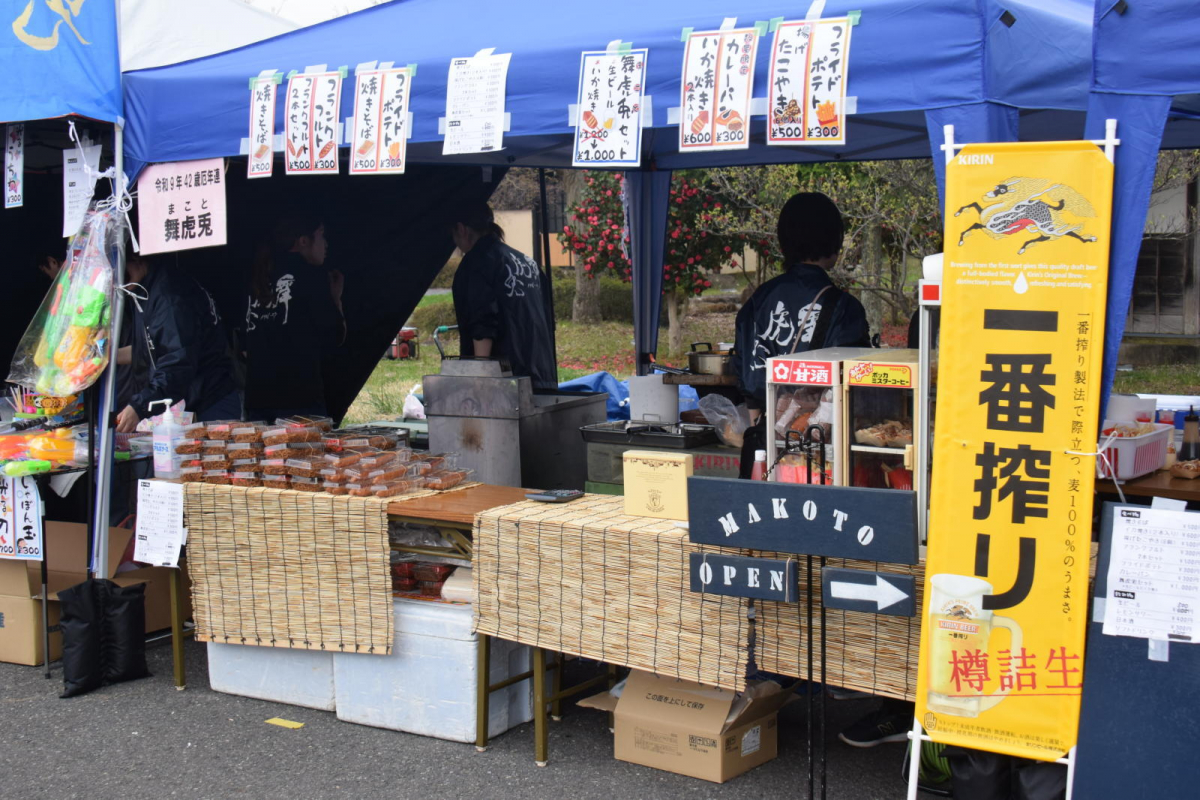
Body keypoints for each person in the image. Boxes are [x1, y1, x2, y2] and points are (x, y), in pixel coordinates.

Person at [732, 192, 871, 423]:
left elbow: (747, 373)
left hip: (764, 432)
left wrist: (761, 430)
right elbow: (854, 381)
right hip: (819, 435)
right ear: (834, 240)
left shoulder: (758, 300)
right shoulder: (845, 308)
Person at [115, 249, 240, 432]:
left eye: (121, 273)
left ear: (137, 259)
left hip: (210, 399)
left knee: (214, 458)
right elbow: (151, 348)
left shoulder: (170, 296)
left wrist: (139, 406)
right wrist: (109, 357)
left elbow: (177, 361)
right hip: (188, 401)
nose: (119, 282)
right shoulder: (145, 289)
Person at [243, 216, 345, 421]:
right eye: (321, 235)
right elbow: (335, 337)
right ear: (303, 241)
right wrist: (336, 300)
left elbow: (243, 343)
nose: (326, 244)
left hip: (257, 397)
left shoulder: (256, 275)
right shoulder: (312, 276)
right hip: (301, 398)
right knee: (305, 453)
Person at [449, 202, 557, 389]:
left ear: (461, 229)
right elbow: (548, 321)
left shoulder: (477, 263)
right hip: (543, 377)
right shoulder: (527, 262)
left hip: (505, 383)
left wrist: (479, 379)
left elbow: (482, 322)